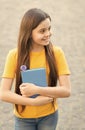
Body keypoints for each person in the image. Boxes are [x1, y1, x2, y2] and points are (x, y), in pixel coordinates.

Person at [0, 8, 71, 130]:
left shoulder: (57, 53)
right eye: (42, 31)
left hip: (49, 116)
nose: (48, 33)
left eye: (49, 28)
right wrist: (32, 102)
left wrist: (37, 89)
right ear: (28, 33)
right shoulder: (14, 55)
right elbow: (3, 93)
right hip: (23, 118)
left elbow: (66, 91)